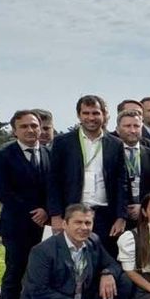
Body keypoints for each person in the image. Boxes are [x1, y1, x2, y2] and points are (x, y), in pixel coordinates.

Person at [21, 204, 132, 299]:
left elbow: (112, 264)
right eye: (78, 222)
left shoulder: (93, 241)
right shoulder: (43, 251)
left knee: (123, 280)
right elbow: (38, 292)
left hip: (80, 296)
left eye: (88, 223)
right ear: (65, 224)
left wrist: (107, 273)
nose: (84, 227)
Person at [0, 110, 50, 299]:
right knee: (14, 273)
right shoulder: (3, 155)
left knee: (42, 273)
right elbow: (3, 192)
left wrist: (46, 210)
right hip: (16, 226)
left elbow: (53, 187)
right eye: (24, 126)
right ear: (14, 131)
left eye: (34, 125)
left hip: (45, 224)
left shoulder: (48, 153)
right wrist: (32, 212)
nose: (30, 130)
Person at [48, 95, 129, 256]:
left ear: (104, 115)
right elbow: (53, 181)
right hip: (72, 213)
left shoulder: (116, 144)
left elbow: (122, 183)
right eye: (86, 113)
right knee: (71, 260)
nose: (91, 118)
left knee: (104, 259)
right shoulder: (62, 142)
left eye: (96, 113)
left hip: (105, 215)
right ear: (79, 115)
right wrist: (56, 215)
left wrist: (121, 217)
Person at [115, 109, 150, 226]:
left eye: (136, 126)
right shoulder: (110, 154)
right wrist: (122, 211)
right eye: (127, 126)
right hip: (116, 219)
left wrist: (144, 205)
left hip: (146, 217)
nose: (133, 130)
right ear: (117, 129)